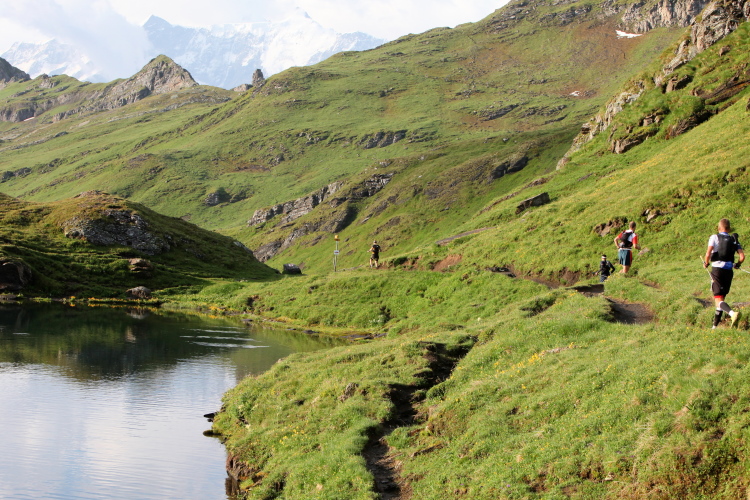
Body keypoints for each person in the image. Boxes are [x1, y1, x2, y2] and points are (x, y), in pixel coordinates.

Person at [704, 218, 745, 328]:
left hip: (717, 271)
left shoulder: (714, 237)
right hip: (728, 271)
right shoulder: (734, 239)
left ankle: (733, 314)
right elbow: (742, 257)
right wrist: (737, 264)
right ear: (729, 229)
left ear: (718, 228)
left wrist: (706, 263)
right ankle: (714, 327)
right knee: (720, 300)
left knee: (718, 299)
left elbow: (708, 254)